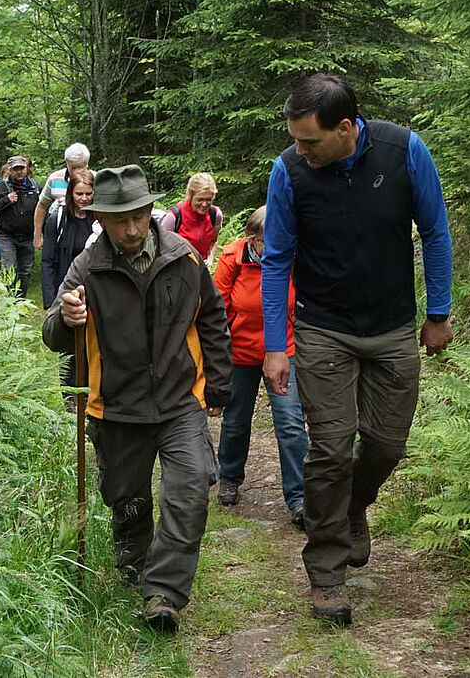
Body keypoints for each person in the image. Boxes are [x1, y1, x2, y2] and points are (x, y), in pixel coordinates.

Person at [262, 74, 453, 626]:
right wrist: (277, 346)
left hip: (393, 327)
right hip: (322, 329)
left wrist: (437, 313)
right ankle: (326, 574)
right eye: (295, 139)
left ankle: (352, 508)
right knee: (329, 449)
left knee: (387, 446)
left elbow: (435, 233)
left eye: (310, 140)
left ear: (345, 128)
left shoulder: (404, 151)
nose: (300, 150)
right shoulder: (289, 172)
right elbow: (276, 260)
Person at [42, 164, 232, 634]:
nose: (131, 228)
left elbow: (211, 317)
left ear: (150, 210)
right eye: (119, 219)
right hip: (116, 406)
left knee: (189, 492)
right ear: (100, 219)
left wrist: (219, 384)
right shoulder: (88, 268)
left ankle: (164, 593)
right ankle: (133, 556)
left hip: (179, 401)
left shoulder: (183, 257)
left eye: (139, 215)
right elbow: (52, 334)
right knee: (126, 499)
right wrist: (67, 318)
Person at [213, 206, 308, 528]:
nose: (283, 246)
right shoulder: (232, 258)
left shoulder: (294, 258)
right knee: (236, 418)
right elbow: (216, 310)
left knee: (291, 422)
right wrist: (216, 361)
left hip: (284, 352)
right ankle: (229, 478)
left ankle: (300, 498)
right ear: (253, 240)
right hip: (239, 352)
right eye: (273, 241)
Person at [41, 170, 95, 386]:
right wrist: (49, 300)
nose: (83, 199)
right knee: (68, 346)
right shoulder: (58, 219)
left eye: (88, 194)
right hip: (65, 289)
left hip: (92, 292)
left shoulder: (100, 220)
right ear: (71, 193)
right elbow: (47, 260)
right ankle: (70, 395)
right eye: (79, 194)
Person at [0, 156, 40, 297]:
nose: (19, 172)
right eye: (16, 169)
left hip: (28, 237)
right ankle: (9, 302)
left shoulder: (35, 187)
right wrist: (6, 200)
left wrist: (40, 234)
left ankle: (21, 302)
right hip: (7, 236)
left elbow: (42, 211)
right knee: (9, 269)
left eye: (21, 168)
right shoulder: (0, 186)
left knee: (25, 271)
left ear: (26, 169)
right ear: (10, 170)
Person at [34, 143, 92, 250]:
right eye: (74, 168)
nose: (78, 172)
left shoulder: (95, 179)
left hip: (87, 235)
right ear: (67, 164)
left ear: (87, 164)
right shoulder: (55, 178)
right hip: (59, 235)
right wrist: (37, 235)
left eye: (82, 167)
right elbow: (41, 205)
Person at [160, 172, 223, 266]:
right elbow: (160, 246)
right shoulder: (174, 216)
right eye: (200, 200)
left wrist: (210, 259)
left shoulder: (215, 214)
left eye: (208, 199)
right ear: (190, 196)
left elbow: (214, 241)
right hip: (176, 269)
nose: (204, 204)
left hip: (201, 270)